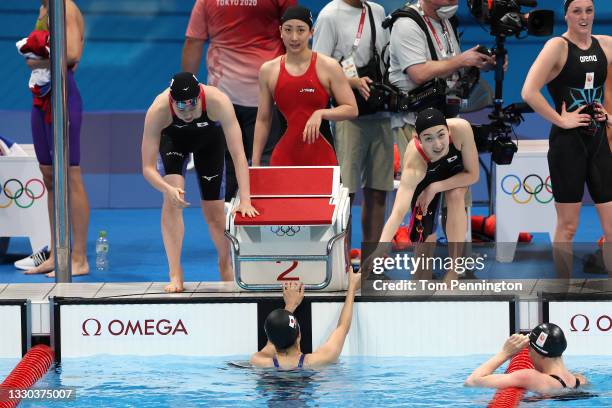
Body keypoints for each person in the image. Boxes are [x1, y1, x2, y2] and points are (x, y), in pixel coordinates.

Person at [141, 72, 258, 293]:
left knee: (214, 213)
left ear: (200, 97)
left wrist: (246, 199)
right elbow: (146, 168)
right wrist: (167, 189)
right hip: (172, 142)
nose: (187, 114)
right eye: (181, 109)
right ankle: (175, 273)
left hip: (208, 143)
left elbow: (239, 154)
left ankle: (225, 263)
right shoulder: (158, 110)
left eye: (192, 108)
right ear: (172, 102)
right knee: (172, 199)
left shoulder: (218, 101)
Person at [521, 0, 612, 276]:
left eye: (589, 11)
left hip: (599, 144)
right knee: (568, 226)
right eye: (577, 11)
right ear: (566, 15)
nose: (584, 17)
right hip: (567, 146)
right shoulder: (557, 47)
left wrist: (609, 114)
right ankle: (563, 290)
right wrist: (561, 119)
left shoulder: (606, 44)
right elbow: (529, 92)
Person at [181, 0, 295, 202]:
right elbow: (294, 37)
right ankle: (265, 223)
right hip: (268, 96)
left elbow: (193, 41)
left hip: (222, 98)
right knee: (266, 165)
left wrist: (185, 93)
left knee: (226, 166)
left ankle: (228, 228)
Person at [312, 0, 393, 254]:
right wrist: (352, 82)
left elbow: (386, 58)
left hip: (380, 113)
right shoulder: (329, 15)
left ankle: (372, 263)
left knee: (379, 190)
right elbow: (316, 70)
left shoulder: (377, 11)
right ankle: (341, 261)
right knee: (346, 195)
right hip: (348, 118)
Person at [24, 0, 90, 277]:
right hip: (41, 95)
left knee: (70, 175)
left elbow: (72, 53)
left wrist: (37, 58)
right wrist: (36, 58)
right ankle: (56, 251)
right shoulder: (45, 8)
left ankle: (79, 257)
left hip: (62, 94)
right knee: (49, 175)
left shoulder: (66, 8)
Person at [374, 108, 478, 280]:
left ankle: (454, 270)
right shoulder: (414, 163)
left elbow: (473, 175)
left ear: (448, 131)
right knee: (423, 228)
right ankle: (423, 275)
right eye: (429, 138)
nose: (437, 144)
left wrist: (436, 187)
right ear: (418, 139)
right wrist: (381, 247)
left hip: (456, 172)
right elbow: (398, 212)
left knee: (455, 195)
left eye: (441, 135)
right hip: (427, 174)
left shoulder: (461, 129)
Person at [251, 5, 358, 167]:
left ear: (311, 33)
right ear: (280, 31)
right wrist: (256, 161)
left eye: (301, 30)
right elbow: (263, 120)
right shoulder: (268, 70)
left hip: (323, 158)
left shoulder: (329, 66)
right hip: (283, 159)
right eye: (288, 30)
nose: (294, 37)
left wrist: (321, 113)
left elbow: (352, 109)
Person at [250, 273, 361, 369]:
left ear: (271, 340)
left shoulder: (259, 361)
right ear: (299, 335)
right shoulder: (317, 361)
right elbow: (343, 327)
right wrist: (352, 285)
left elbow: (271, 344)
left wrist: (290, 305)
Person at [465, 323, 587, 392]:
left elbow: (471, 381)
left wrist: (505, 353)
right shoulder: (580, 380)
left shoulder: (531, 377)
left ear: (539, 353)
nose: (528, 353)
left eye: (529, 349)